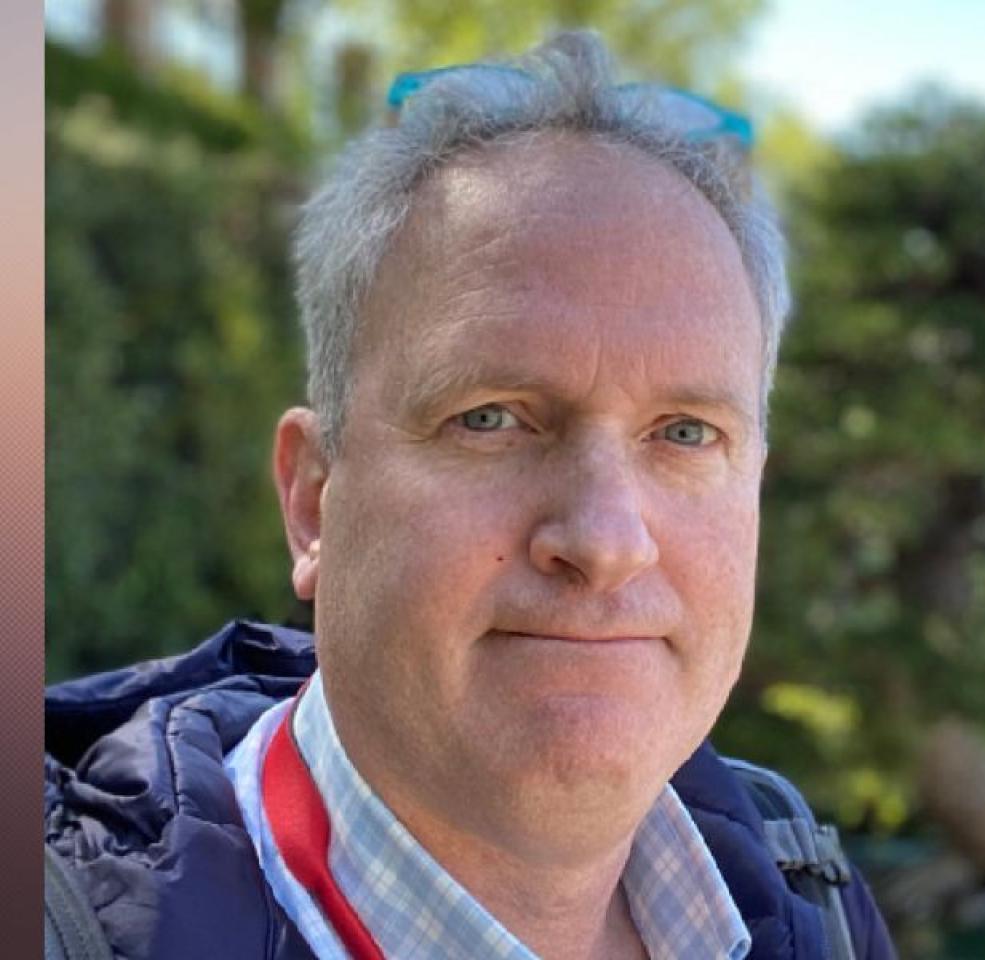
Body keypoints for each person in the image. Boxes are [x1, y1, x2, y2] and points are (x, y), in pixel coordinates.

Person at [44, 31, 896, 960]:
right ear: (312, 498)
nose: (606, 540)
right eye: (492, 419)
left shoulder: (814, 900)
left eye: (686, 433)